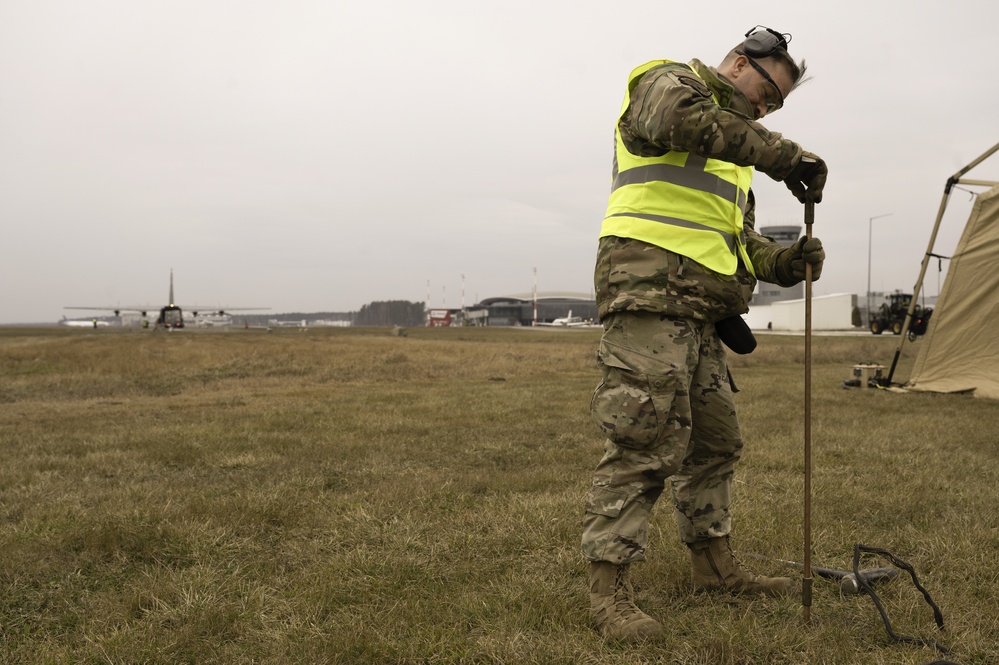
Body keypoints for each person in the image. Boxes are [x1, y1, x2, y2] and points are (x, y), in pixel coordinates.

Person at [582, 26, 828, 642]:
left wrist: (782, 262)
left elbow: (735, 242)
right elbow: (684, 121)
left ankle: (713, 568)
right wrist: (784, 154)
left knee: (715, 444)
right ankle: (609, 593)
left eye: (777, 108)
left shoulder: (735, 154)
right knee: (642, 445)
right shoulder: (666, 84)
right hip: (648, 299)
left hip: (701, 315)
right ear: (739, 63)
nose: (767, 111)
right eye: (768, 94)